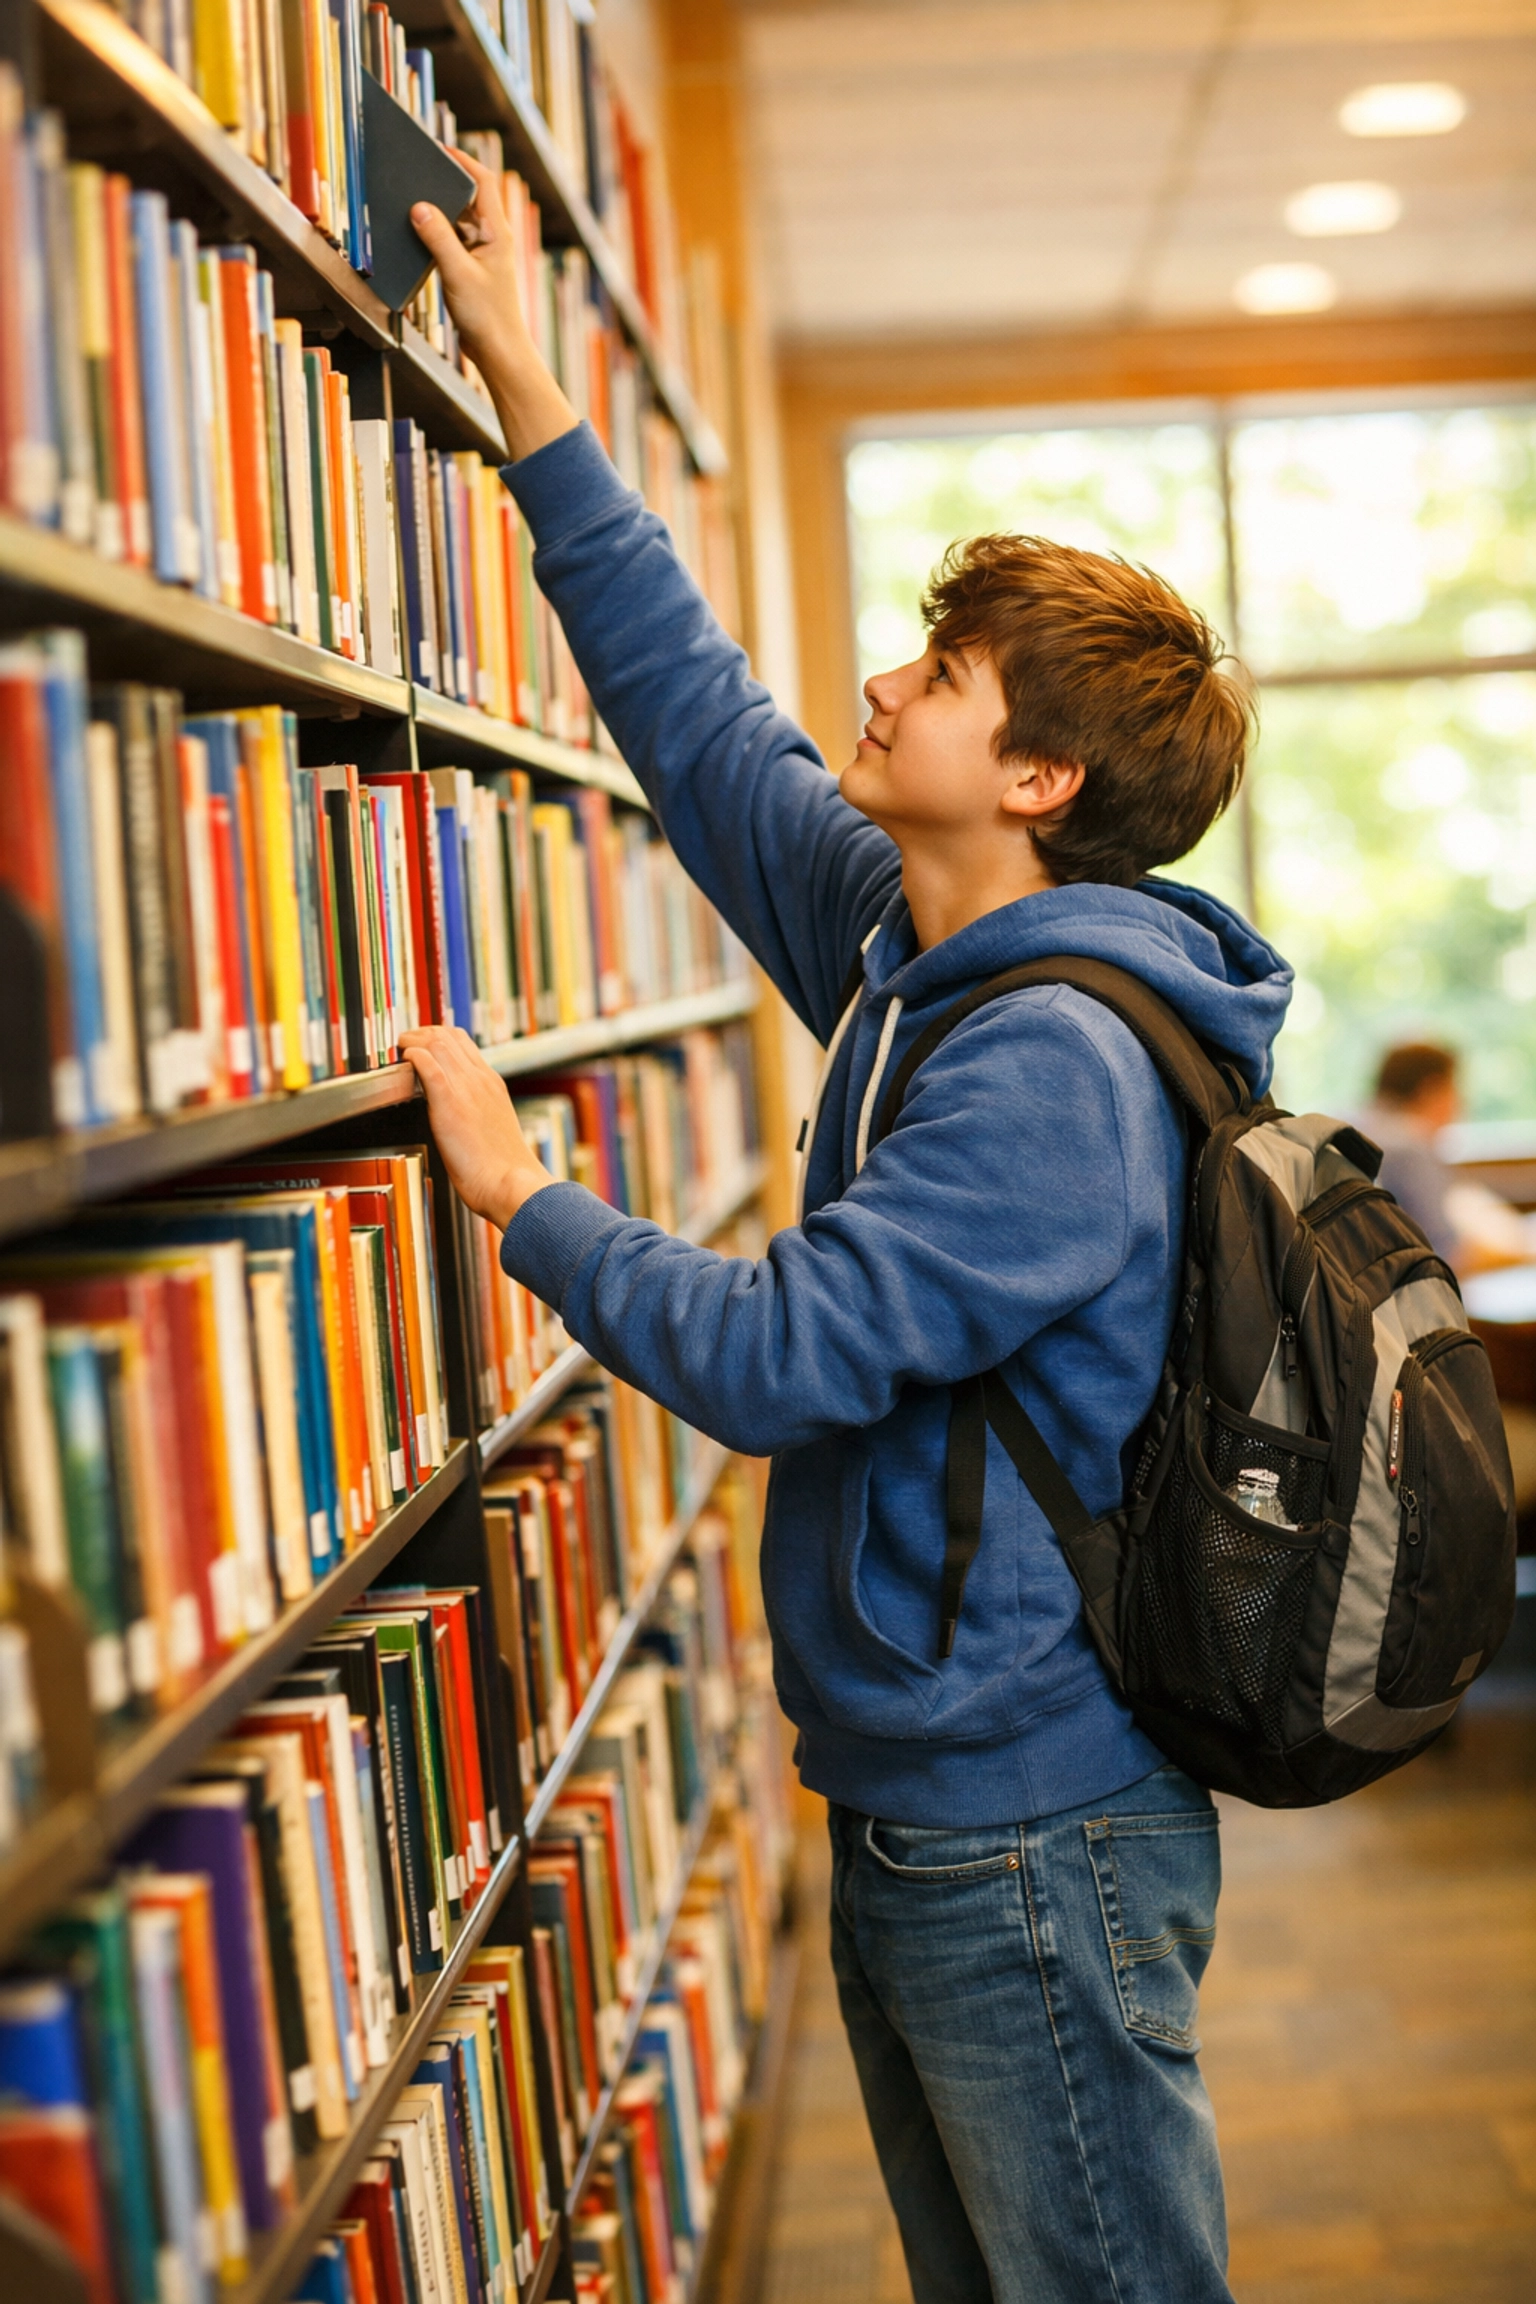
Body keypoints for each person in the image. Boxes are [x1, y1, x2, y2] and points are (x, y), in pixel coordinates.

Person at [400, 155, 1292, 2304]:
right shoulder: (920, 954)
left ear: (1044, 781)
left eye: (944, 671)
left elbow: (791, 1348)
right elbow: (708, 733)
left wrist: (526, 1202)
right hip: (943, 1798)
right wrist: (531, 389)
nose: (885, 689)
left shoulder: (1050, 1067)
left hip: (1032, 1826)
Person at [1362, 1042, 1536, 1270]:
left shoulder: (1360, 1128)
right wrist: (1524, 1250)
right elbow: (1447, 1256)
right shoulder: (1408, 1149)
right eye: (1455, 1089)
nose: (1461, 1103)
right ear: (1432, 1090)